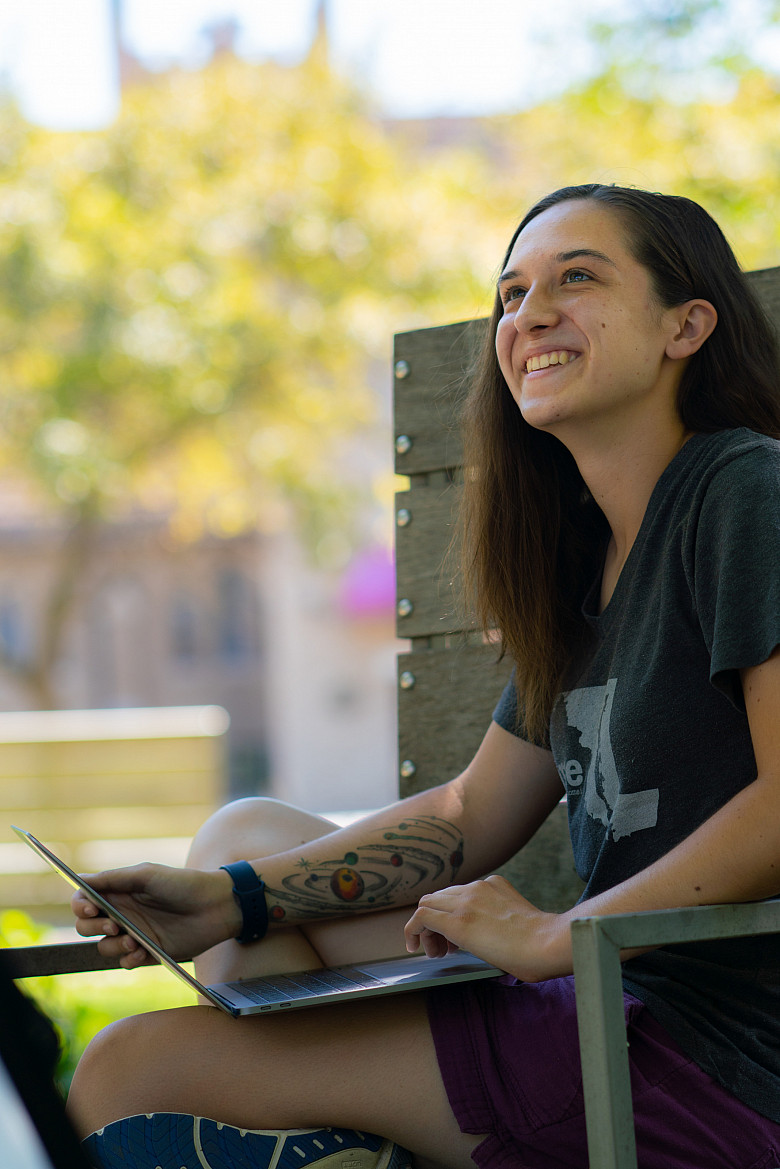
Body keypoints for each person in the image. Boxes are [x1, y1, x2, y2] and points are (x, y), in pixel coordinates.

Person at [67, 184, 780, 1169]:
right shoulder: (584, 566)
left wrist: (559, 933)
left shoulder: (746, 488)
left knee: (127, 1069)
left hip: (714, 1071)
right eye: (511, 293)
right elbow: (467, 814)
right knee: (246, 844)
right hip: (609, 1006)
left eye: (576, 278)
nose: (529, 314)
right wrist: (225, 899)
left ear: (686, 324)